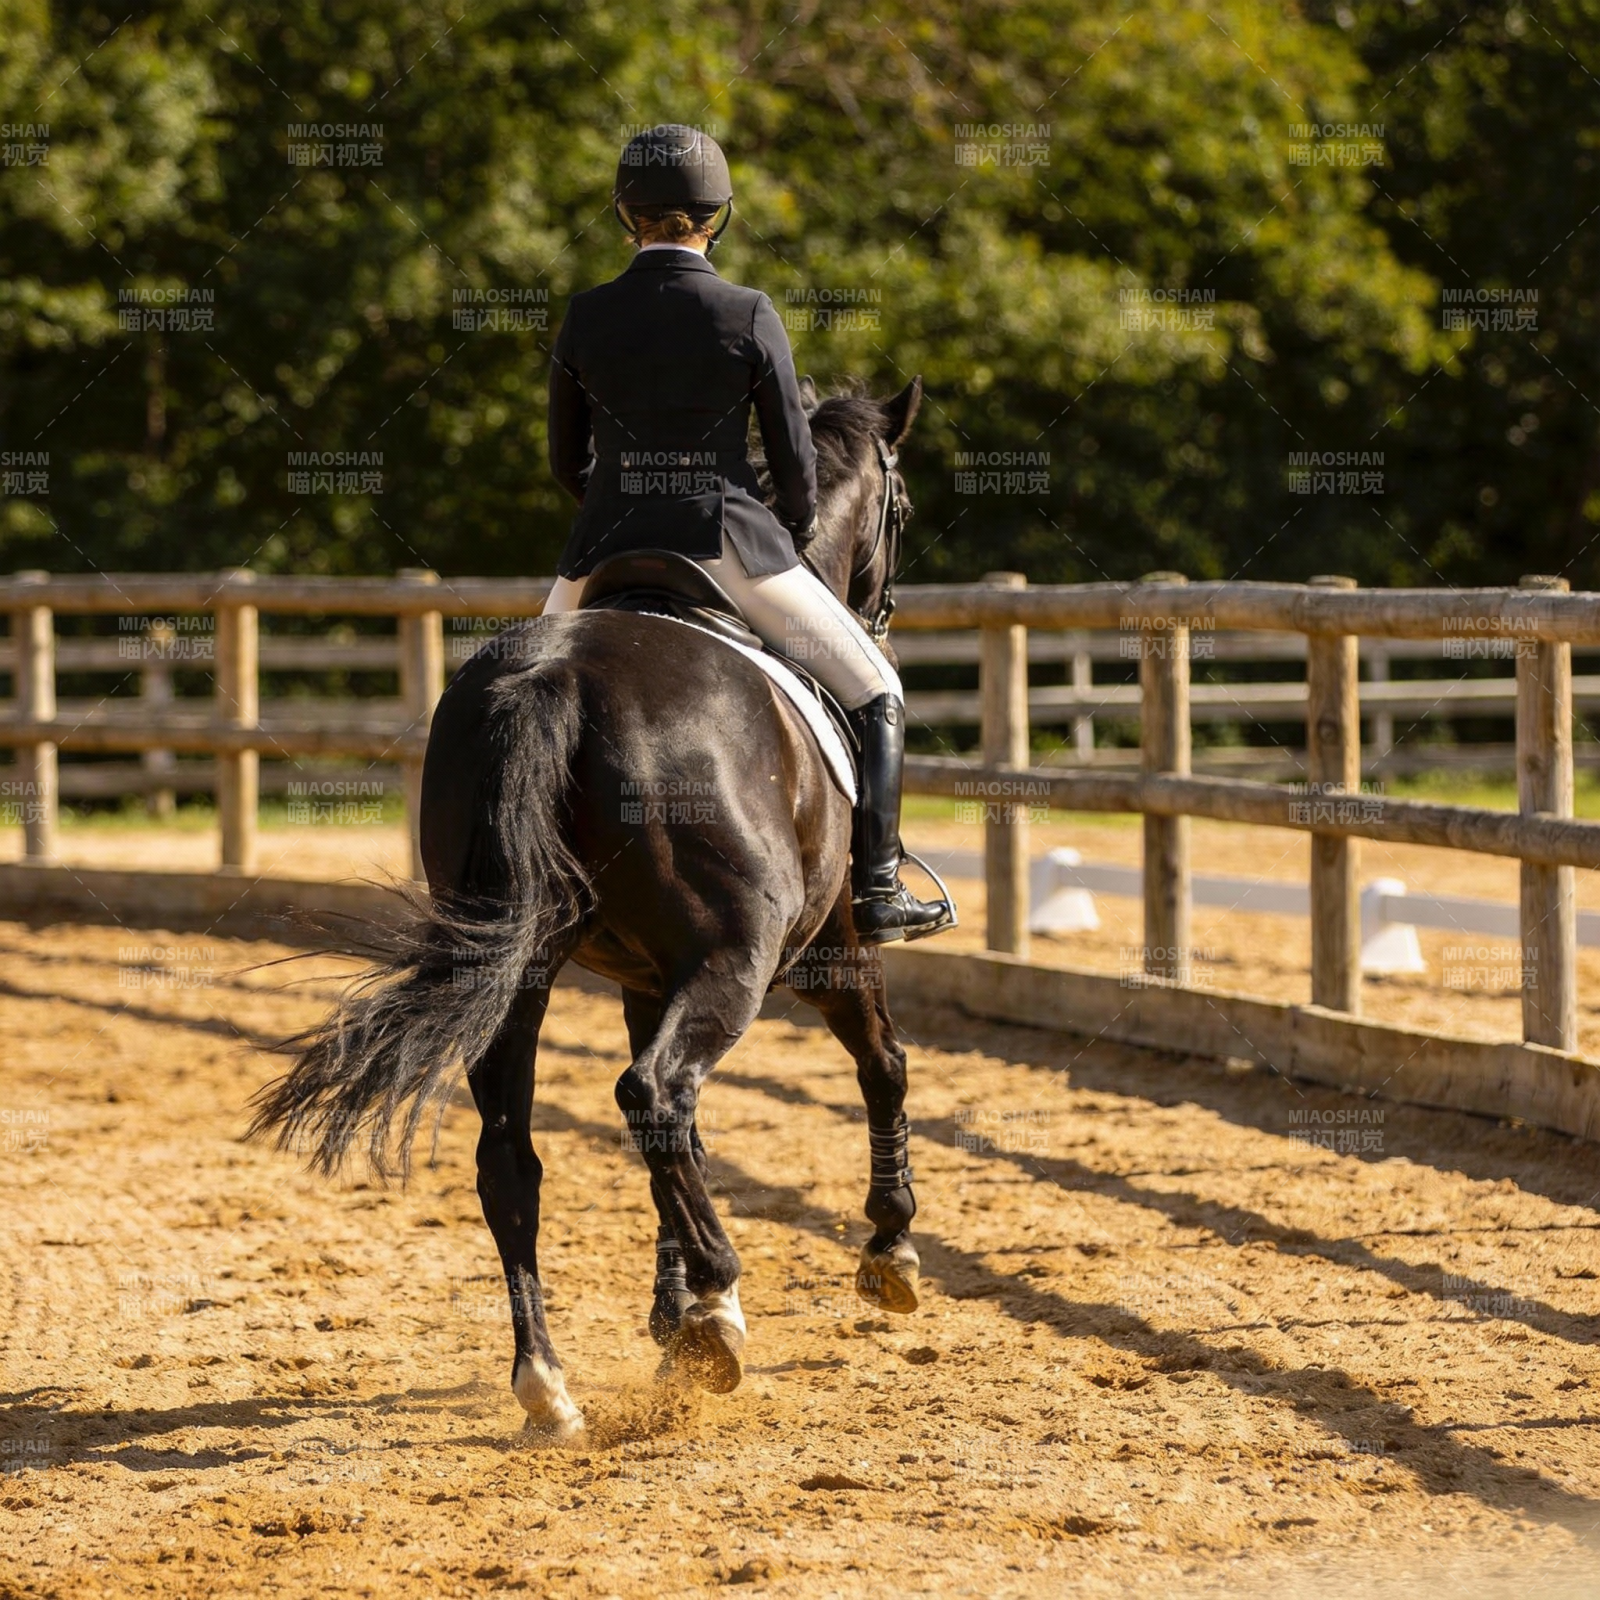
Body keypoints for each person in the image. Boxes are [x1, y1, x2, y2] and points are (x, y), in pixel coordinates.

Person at [543, 124, 951, 944]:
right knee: (877, 690)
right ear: (717, 218)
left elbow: (564, 459)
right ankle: (876, 887)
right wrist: (788, 532)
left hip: (603, 548)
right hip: (728, 545)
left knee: (520, 692)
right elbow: (797, 469)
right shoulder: (748, 311)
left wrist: (617, 503)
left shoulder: (586, 315)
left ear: (627, 215)